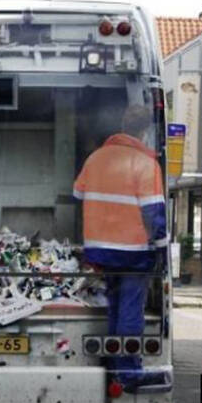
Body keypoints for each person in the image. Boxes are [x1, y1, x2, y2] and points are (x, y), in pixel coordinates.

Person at [73, 105, 168, 388]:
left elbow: (77, 192)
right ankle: (127, 373)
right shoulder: (145, 164)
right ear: (145, 131)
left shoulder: (96, 158)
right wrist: (161, 249)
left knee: (114, 308)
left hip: (98, 251)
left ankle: (115, 365)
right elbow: (154, 214)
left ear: (123, 125)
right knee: (129, 311)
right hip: (132, 253)